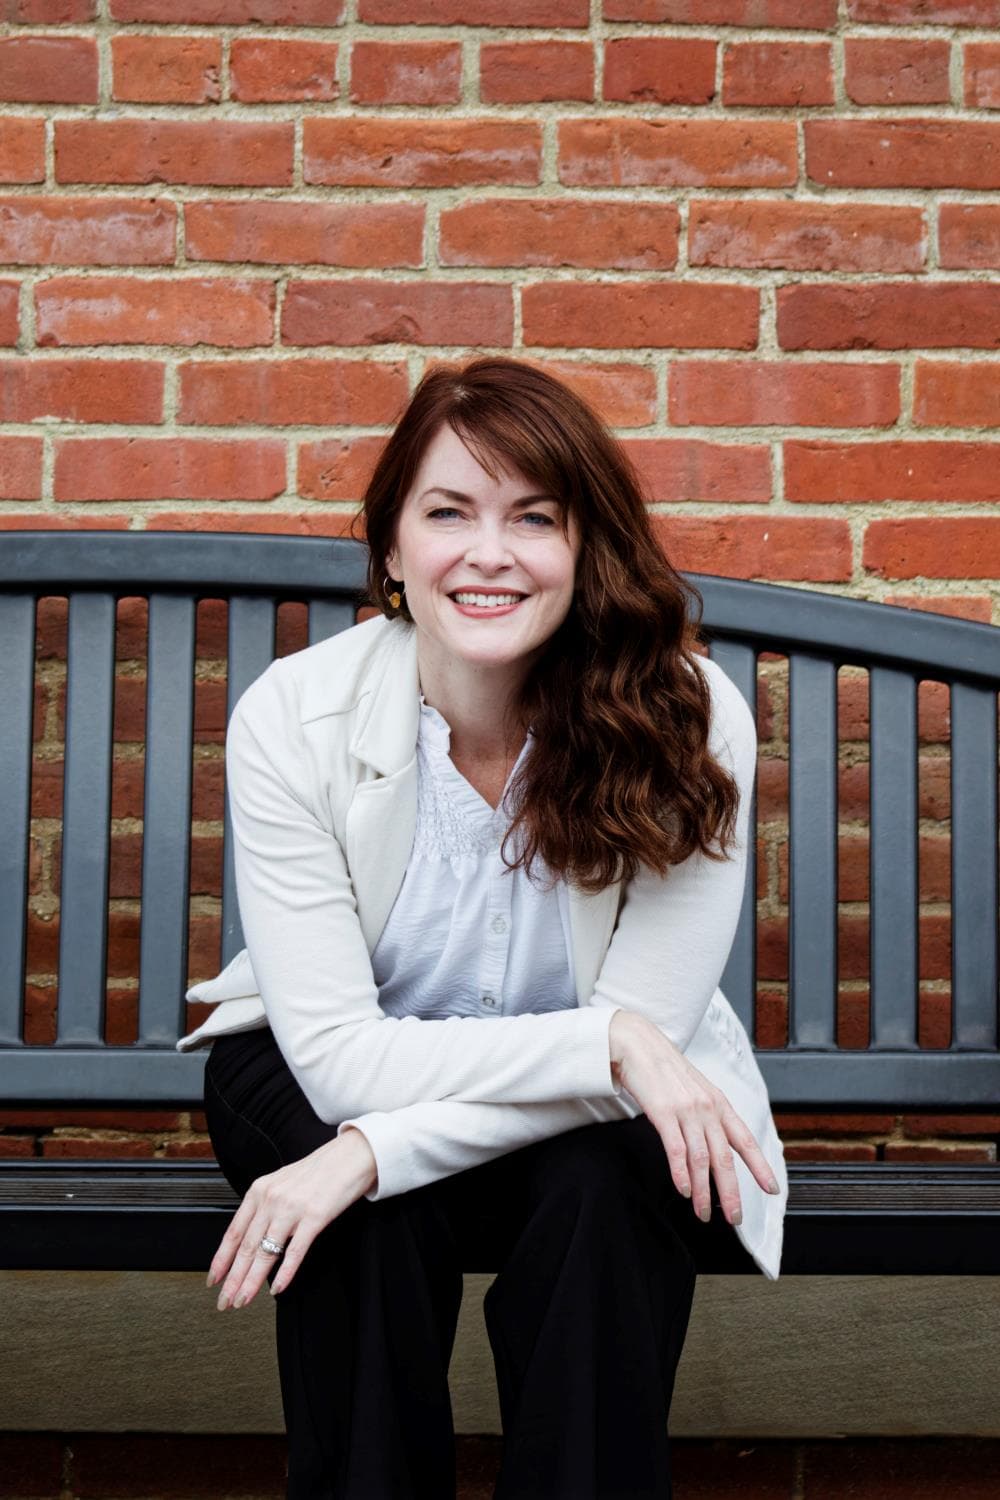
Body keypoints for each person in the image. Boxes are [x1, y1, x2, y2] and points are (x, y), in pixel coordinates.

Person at [177, 355, 789, 1499]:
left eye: (533, 518)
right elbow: (345, 1059)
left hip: (590, 1107)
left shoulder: (687, 720)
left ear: (583, 547)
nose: (488, 553)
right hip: (326, 1055)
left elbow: (641, 1046)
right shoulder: (291, 718)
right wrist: (599, 1041)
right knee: (360, 1218)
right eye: (447, 512)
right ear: (393, 549)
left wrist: (368, 1156)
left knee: (600, 1188)